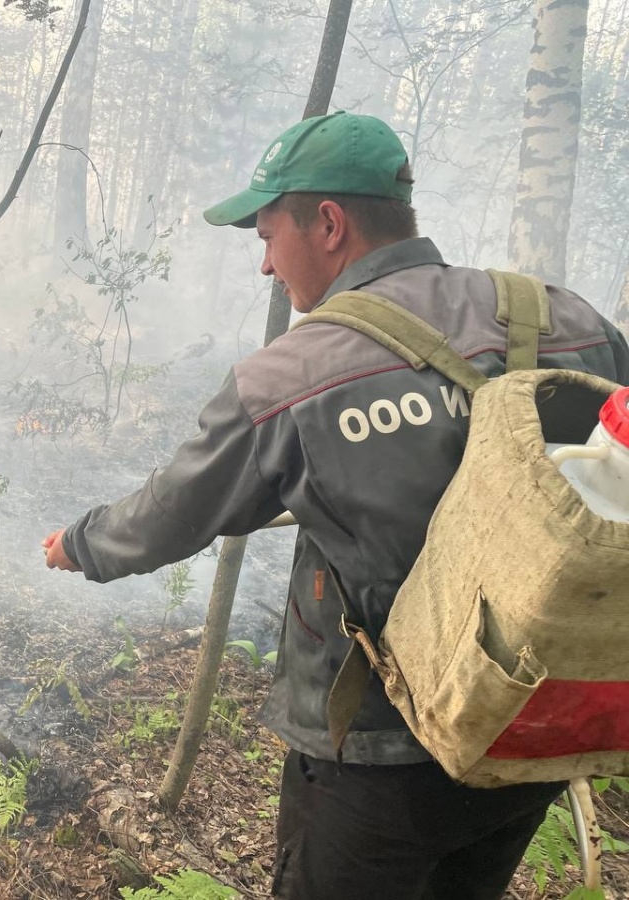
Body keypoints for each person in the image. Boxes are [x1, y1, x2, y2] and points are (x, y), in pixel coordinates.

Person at [41, 111, 629, 900]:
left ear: (327, 222)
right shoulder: (570, 319)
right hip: (534, 728)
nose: (262, 265)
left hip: (381, 754)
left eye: (265, 234)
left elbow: (172, 514)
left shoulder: (291, 378)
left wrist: (79, 544)